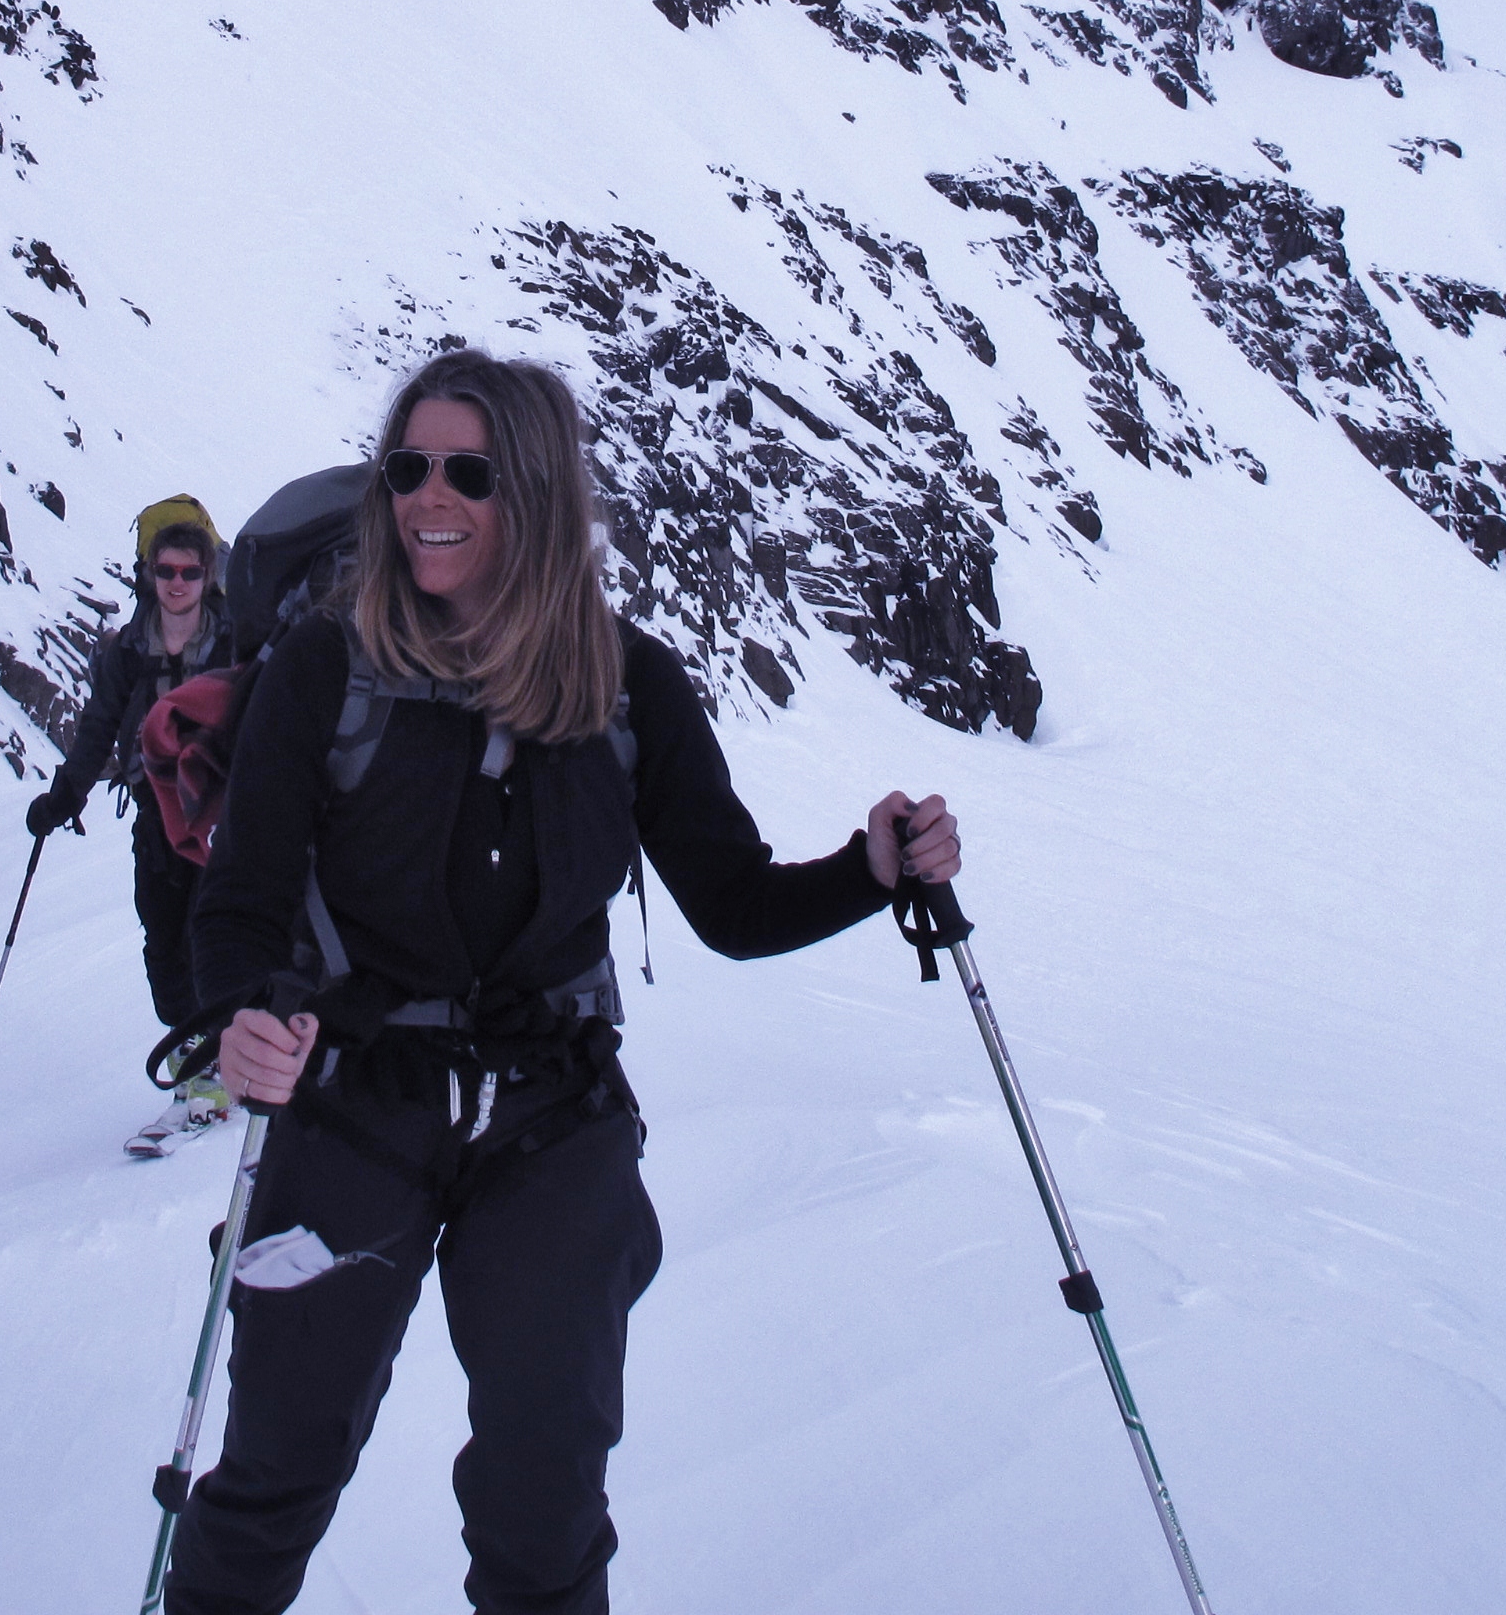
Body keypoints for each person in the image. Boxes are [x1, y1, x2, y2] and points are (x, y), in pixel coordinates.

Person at [163, 348, 961, 1615]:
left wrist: (869, 873)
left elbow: (735, 906)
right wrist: (253, 1012)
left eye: (467, 472)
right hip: (356, 1101)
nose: (430, 495)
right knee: (278, 1474)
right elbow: (240, 905)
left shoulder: (626, 683)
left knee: (545, 1506)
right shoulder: (326, 667)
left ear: (532, 490)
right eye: (409, 466)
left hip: (554, 1118)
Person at [31, 496, 234, 1151]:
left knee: (212, 938)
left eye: (189, 573)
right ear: (149, 574)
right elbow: (98, 725)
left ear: (208, 576)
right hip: (156, 812)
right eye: (166, 571)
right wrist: (65, 796)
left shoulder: (232, 642)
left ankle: (210, 1078)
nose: (177, 583)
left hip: (221, 815)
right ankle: (200, 1065)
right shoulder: (127, 653)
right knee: (162, 944)